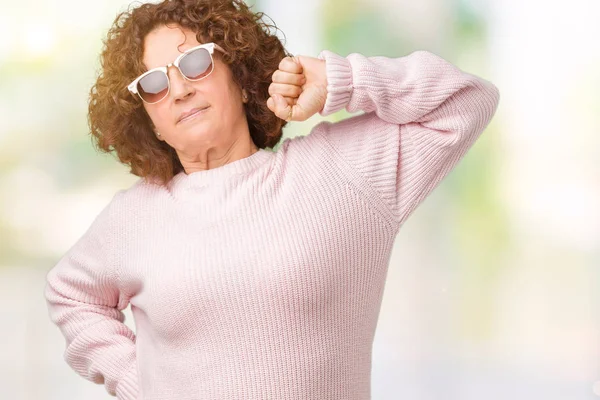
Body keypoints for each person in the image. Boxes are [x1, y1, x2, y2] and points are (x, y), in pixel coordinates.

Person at [44, 0, 500, 399]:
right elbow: (70, 295)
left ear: (241, 78)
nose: (179, 90)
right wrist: (139, 381)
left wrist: (343, 80)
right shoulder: (135, 217)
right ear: (149, 118)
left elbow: (466, 100)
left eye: (196, 63)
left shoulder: (342, 172)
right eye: (153, 84)